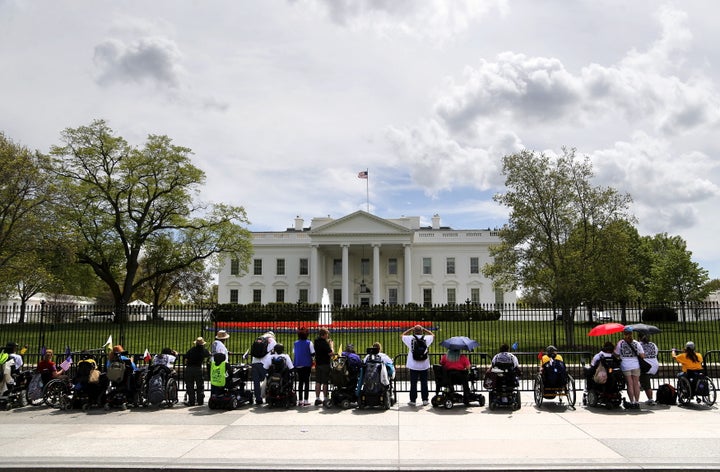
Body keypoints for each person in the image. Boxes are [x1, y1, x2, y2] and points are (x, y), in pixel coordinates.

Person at [401, 325, 434, 407]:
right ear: (421, 331)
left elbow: (402, 335)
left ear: (414, 331)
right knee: (424, 383)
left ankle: (413, 400)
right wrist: (425, 330)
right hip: (424, 364)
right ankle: (425, 400)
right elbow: (433, 335)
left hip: (413, 365)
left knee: (413, 383)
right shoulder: (426, 338)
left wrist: (410, 329)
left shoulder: (410, 339)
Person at [615, 326, 644, 409]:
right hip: (636, 365)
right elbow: (642, 355)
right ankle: (637, 401)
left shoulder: (621, 343)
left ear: (624, 333)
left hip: (625, 365)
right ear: (632, 333)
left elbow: (616, 354)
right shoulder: (636, 343)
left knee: (630, 384)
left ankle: (632, 401)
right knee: (636, 384)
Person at [250, 331, 276, 405]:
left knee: (256, 382)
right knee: (268, 380)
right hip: (264, 363)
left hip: (254, 362)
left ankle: (258, 399)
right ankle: (268, 397)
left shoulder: (258, 339)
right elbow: (275, 352)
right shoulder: (272, 340)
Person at [184, 337, 210, 406]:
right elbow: (208, 355)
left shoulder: (191, 350)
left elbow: (186, 359)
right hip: (198, 369)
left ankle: (191, 401)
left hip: (189, 369)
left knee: (189, 385)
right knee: (200, 386)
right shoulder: (204, 351)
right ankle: (200, 401)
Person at [293, 327, 315, 407]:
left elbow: (294, 352)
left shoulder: (295, 343)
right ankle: (306, 400)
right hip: (306, 364)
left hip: (298, 364)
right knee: (306, 383)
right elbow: (313, 353)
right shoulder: (309, 343)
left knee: (300, 383)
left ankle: (300, 400)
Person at [313, 328, 334, 406]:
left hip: (318, 363)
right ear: (324, 335)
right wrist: (331, 345)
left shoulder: (316, 341)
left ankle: (317, 398)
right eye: (327, 334)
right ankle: (325, 398)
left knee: (318, 381)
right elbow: (331, 353)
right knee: (325, 382)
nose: (327, 336)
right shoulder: (324, 343)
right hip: (325, 364)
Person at [639, 335, 659, 405]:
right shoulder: (653, 344)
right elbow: (656, 353)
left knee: (647, 384)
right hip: (654, 365)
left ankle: (650, 399)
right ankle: (641, 385)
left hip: (646, 366)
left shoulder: (639, 344)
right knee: (644, 380)